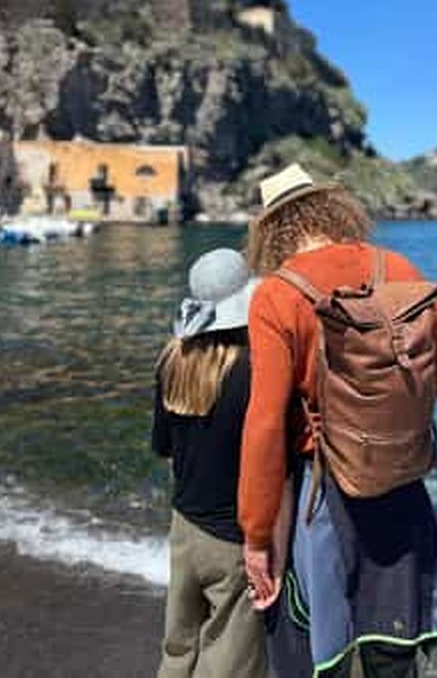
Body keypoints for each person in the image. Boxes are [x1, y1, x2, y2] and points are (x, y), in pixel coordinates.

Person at [239, 164, 437, 678]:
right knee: (395, 652)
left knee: (321, 645)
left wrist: (257, 537)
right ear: (333, 210)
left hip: (324, 494)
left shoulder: (276, 295)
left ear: (272, 230)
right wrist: (395, 404)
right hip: (400, 479)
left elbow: (264, 426)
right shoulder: (394, 265)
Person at [153, 247, 270, 678]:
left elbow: (164, 447)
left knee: (178, 647)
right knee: (229, 660)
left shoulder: (172, 361)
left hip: (184, 526)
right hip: (233, 538)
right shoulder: (253, 373)